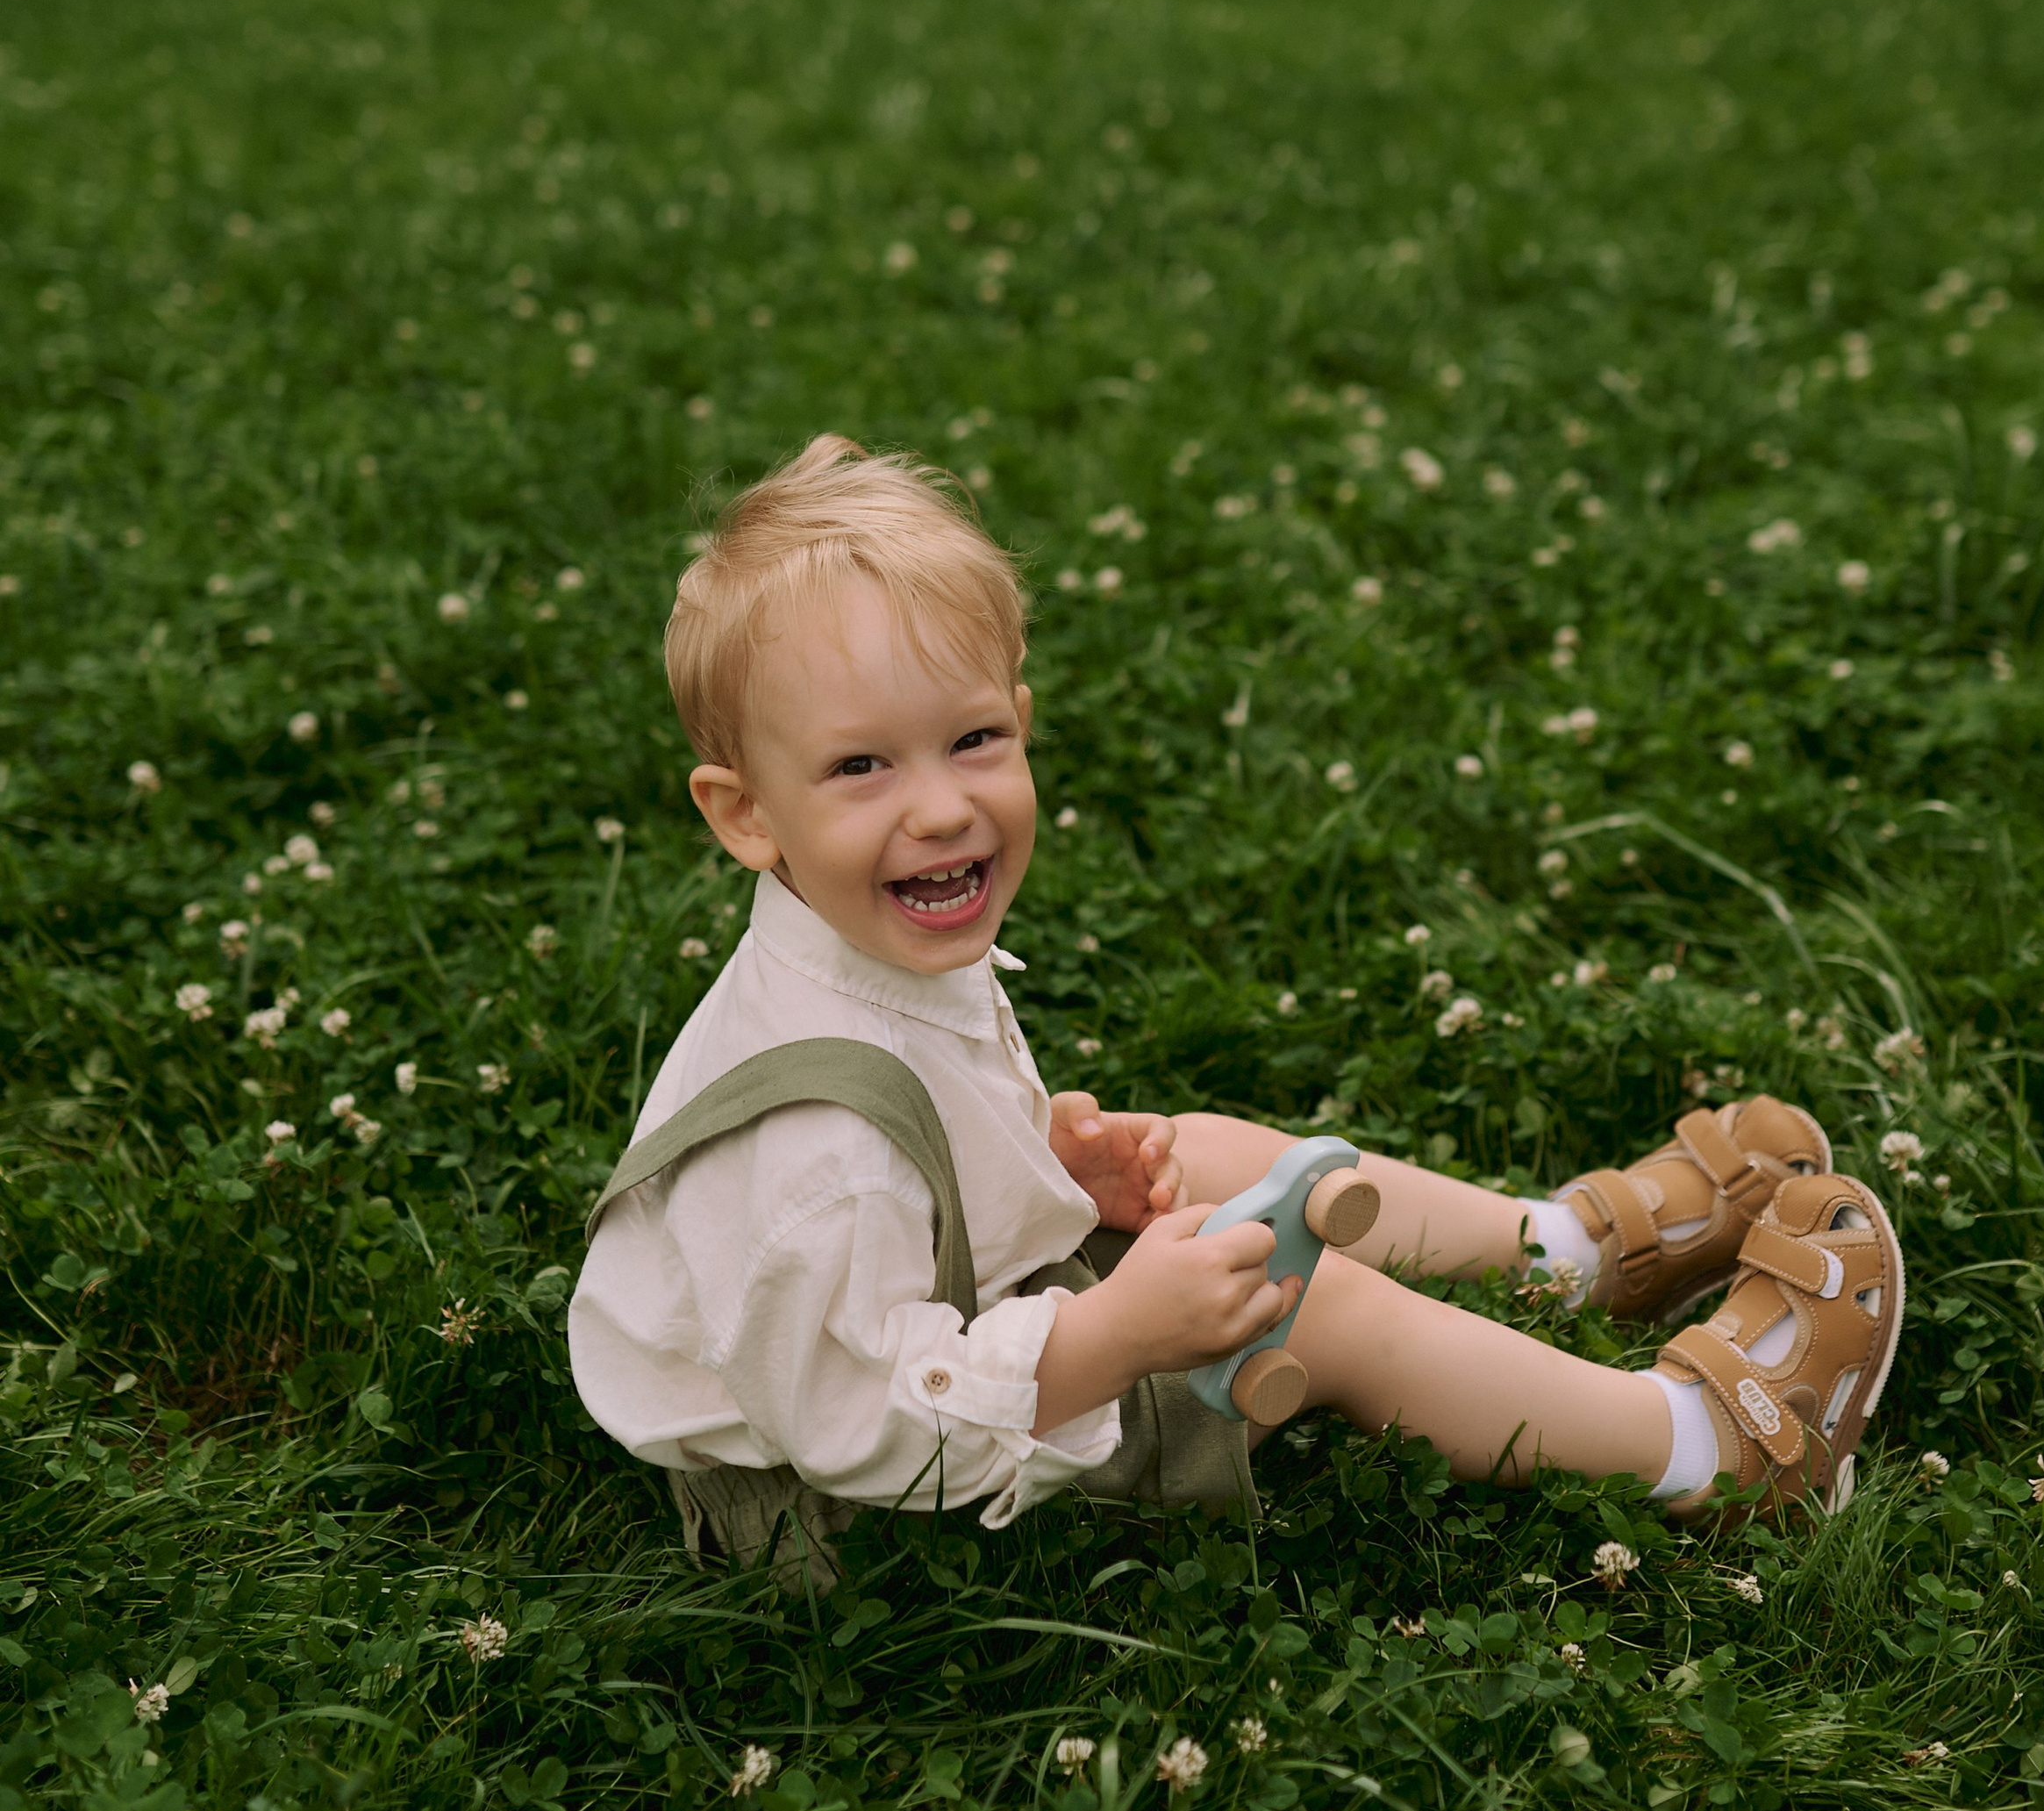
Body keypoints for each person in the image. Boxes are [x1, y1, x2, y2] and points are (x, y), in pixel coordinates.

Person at [568, 435, 1904, 1577]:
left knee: (1188, 1150)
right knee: (1299, 1303)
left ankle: (1557, 1252)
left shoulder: (853, 936)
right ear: (746, 813)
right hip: (859, 1497)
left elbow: (923, 1158)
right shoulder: (819, 1165)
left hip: (909, 1346)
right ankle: (1709, 1450)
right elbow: (867, 1423)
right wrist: (1114, 1331)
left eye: (974, 738)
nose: (940, 803)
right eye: (861, 765)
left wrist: (1042, 1169)